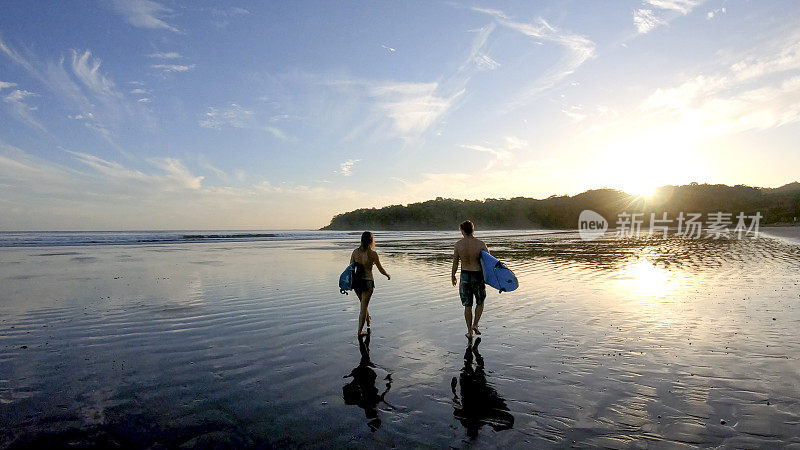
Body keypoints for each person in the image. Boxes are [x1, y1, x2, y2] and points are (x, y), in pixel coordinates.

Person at [451, 220, 488, 339]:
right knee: (480, 302)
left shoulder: (458, 245)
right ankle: (475, 324)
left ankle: (469, 332)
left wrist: (453, 276)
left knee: (467, 305)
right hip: (478, 275)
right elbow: (488, 263)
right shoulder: (481, 244)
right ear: (473, 229)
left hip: (465, 275)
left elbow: (455, 262)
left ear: (462, 230)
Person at [351, 231, 390, 336]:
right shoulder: (373, 254)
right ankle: (359, 331)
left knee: (363, 304)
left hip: (357, 282)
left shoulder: (355, 252)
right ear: (371, 240)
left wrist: (349, 282)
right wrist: (387, 275)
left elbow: (350, 269)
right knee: (363, 307)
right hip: (368, 281)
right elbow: (380, 269)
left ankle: (368, 319)